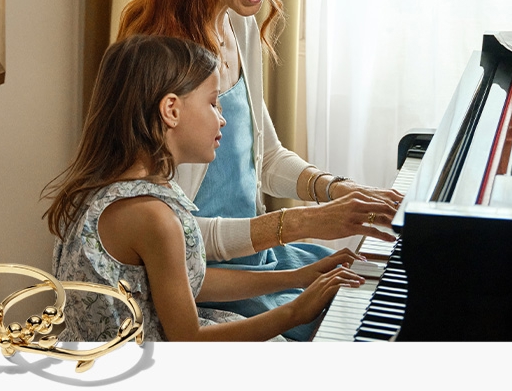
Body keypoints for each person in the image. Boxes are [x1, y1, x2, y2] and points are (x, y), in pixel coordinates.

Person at [116, 0, 402, 340]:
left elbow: (264, 157)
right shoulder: (159, 57)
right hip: (201, 281)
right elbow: (166, 234)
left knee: (379, 295)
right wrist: (302, 223)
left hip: (257, 256)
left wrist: (338, 190)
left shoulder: (238, 22)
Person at [42, 34, 364, 341]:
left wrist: (296, 277)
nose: (222, 118)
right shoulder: (152, 217)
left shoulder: (109, 189)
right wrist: (296, 311)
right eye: (213, 103)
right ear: (171, 110)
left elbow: (188, 282)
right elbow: (189, 339)